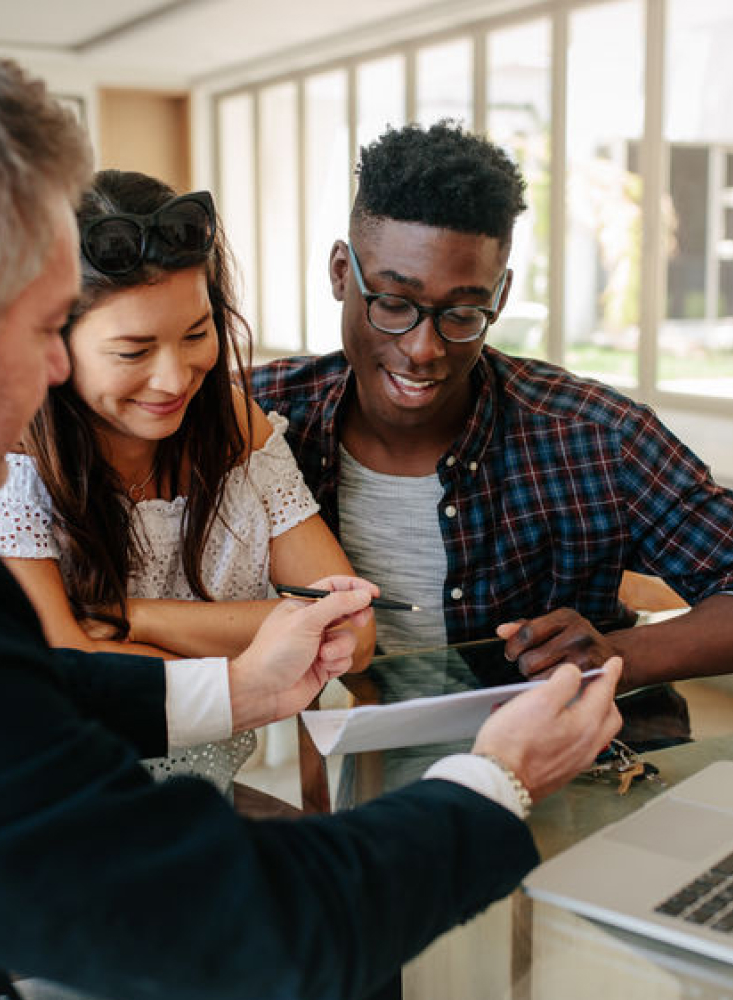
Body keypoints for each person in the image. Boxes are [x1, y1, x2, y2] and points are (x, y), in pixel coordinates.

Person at [0, 49, 622, 1000]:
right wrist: (499, 777)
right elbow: (248, 932)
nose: (59, 374)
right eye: (50, 327)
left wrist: (235, 692)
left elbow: (15, 689)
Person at [250, 120, 733, 695]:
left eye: (461, 313)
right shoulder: (258, 421)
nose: (422, 349)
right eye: (393, 302)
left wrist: (617, 653)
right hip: (376, 768)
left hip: (596, 764)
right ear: (339, 273)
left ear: (499, 298)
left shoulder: (594, 437)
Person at [0, 168, 375, 796]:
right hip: (46, 817)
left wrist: (134, 618)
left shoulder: (235, 426)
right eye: (133, 351)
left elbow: (350, 632)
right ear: (52, 343)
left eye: (197, 334)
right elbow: (68, 671)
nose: (175, 379)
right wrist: (257, 648)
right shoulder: (8, 456)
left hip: (204, 808)